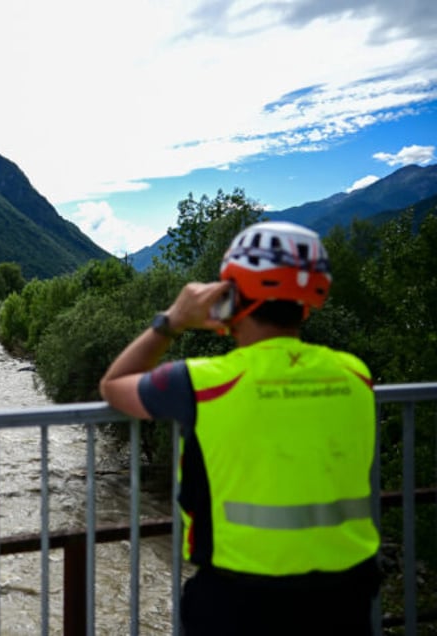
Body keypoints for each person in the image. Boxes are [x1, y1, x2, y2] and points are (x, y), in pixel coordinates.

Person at [99, 221, 381, 635]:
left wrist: (173, 320)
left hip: (240, 601)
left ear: (233, 294)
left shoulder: (200, 382)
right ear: (310, 298)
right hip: (346, 596)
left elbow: (112, 385)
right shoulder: (355, 374)